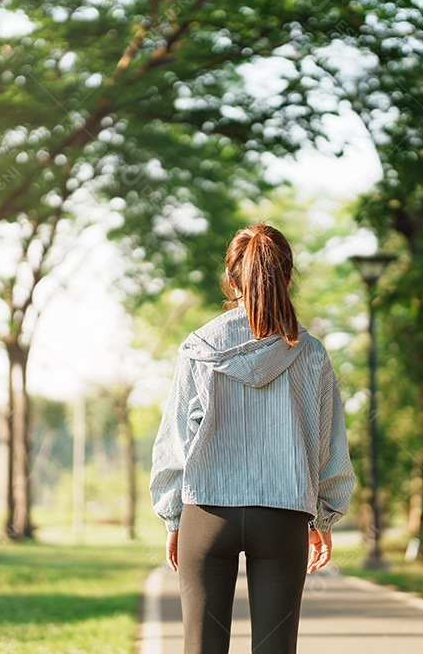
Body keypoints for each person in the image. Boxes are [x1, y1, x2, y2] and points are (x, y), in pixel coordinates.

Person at [150, 223, 356, 654]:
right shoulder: (311, 351)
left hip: (207, 515)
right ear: (286, 277)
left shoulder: (199, 347)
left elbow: (175, 442)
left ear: (232, 279)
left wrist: (173, 517)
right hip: (282, 517)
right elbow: (328, 445)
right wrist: (323, 518)